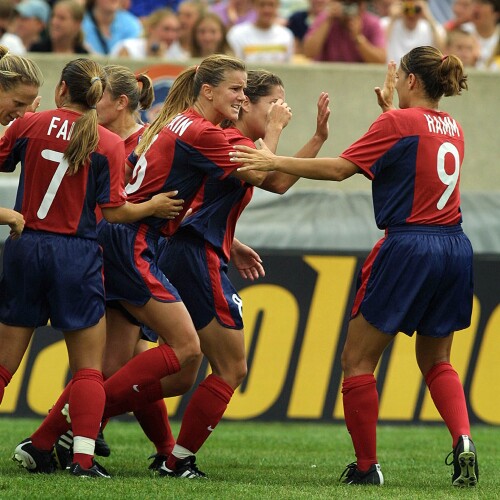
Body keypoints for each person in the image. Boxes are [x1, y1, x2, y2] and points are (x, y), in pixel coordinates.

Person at [9, 54, 271, 479]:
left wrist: (230, 239)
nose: (242, 97)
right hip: (127, 243)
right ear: (207, 90)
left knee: (112, 364)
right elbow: (270, 177)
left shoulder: (169, 125)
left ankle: (50, 440)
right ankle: (106, 439)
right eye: (236, 89)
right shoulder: (185, 132)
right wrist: (279, 131)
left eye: (246, 91)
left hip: (106, 243)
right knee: (185, 351)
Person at [231, 46, 478, 487]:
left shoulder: (397, 123)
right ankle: (463, 439)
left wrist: (273, 160)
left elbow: (340, 170)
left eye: (400, 76)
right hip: (455, 246)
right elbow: (413, 155)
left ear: (411, 81)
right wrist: (391, 112)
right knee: (438, 359)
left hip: (408, 245)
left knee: (357, 359)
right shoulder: (453, 127)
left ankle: (367, 467)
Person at [2, 57, 181, 479]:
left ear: (62, 89)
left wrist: (23, 120)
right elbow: (115, 212)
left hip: (25, 244)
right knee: (87, 368)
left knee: (4, 363)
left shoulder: (29, 124)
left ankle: (56, 449)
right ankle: (82, 459)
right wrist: (152, 207)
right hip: (77, 255)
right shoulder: (109, 142)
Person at [151, 69, 329, 478]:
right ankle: (176, 459)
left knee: (178, 374)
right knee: (232, 367)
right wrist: (276, 129)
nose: (281, 109)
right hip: (194, 255)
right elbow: (263, 172)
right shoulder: (227, 139)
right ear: (245, 102)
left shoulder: (236, 142)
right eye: (274, 102)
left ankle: (83, 414)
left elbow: (277, 181)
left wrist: (318, 138)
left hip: (191, 250)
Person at [303, 0, 386, 63]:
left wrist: (358, 38)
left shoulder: (372, 23)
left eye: (352, 4)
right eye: (344, 3)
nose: (348, 8)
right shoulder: (325, 19)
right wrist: (327, 21)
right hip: (328, 76)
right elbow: (308, 53)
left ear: (362, 5)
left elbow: (381, 60)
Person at [227, 0, 295, 63]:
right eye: (262, 5)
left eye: (271, 5)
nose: (267, 10)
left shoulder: (286, 35)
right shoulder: (237, 34)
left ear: (278, 6)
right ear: (254, 6)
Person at [381, 0, 446, 63]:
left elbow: (441, 51)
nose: (411, 15)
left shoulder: (432, 28)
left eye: (416, 10)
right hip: (393, 67)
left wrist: (429, 18)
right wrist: (392, 19)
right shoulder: (386, 24)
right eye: (407, 10)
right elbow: (381, 45)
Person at [110, 7, 185, 60]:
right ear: (151, 28)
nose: (171, 36)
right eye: (166, 29)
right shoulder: (128, 49)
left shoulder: (178, 56)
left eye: (175, 30)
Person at [469, 0, 500, 69]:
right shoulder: (463, 31)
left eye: (483, 3)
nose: (476, 8)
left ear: (496, 14)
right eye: (475, 3)